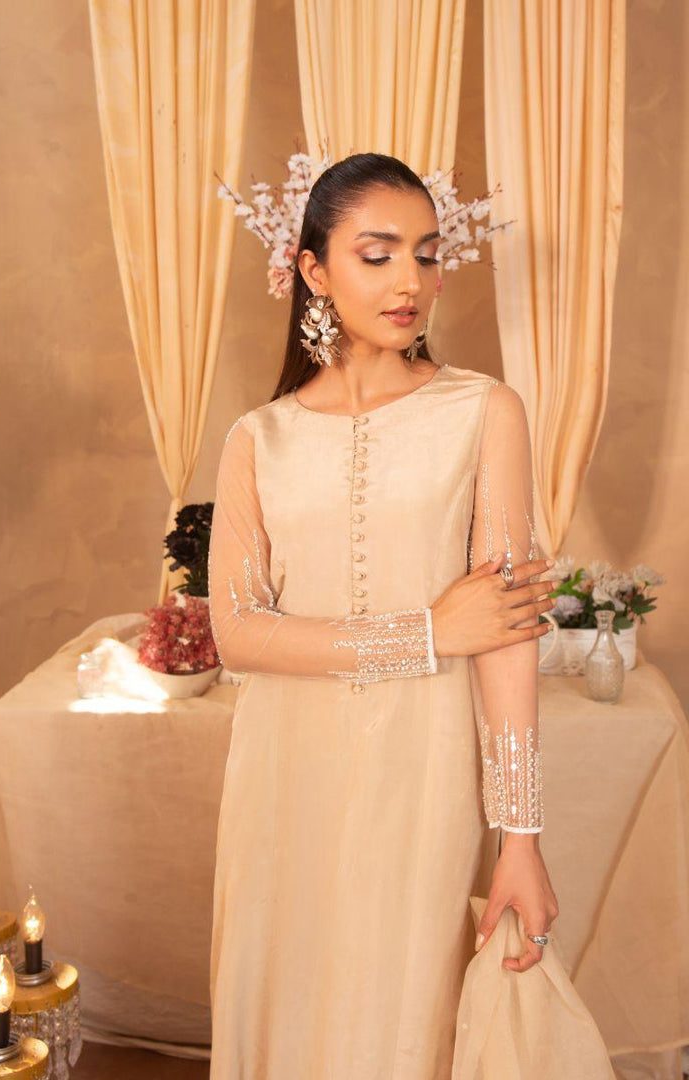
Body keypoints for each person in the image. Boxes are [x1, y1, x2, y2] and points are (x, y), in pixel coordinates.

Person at [207, 152, 560, 1078]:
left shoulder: (484, 411)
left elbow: (508, 636)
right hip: (283, 776)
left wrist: (520, 840)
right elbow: (236, 631)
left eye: (428, 254)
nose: (411, 280)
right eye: (378, 254)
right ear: (314, 269)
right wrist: (428, 633)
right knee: (287, 1003)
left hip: (424, 771)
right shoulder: (258, 438)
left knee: (403, 1014)